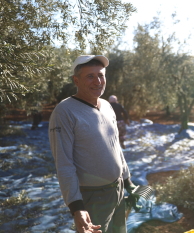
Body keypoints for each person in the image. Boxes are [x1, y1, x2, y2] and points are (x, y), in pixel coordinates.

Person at [49, 55, 140, 233]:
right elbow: (64, 163)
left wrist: (128, 181)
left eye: (101, 75)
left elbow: (115, 146)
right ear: (76, 80)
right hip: (93, 197)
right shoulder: (65, 112)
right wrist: (77, 207)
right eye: (90, 76)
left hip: (118, 190)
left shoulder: (106, 106)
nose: (98, 81)